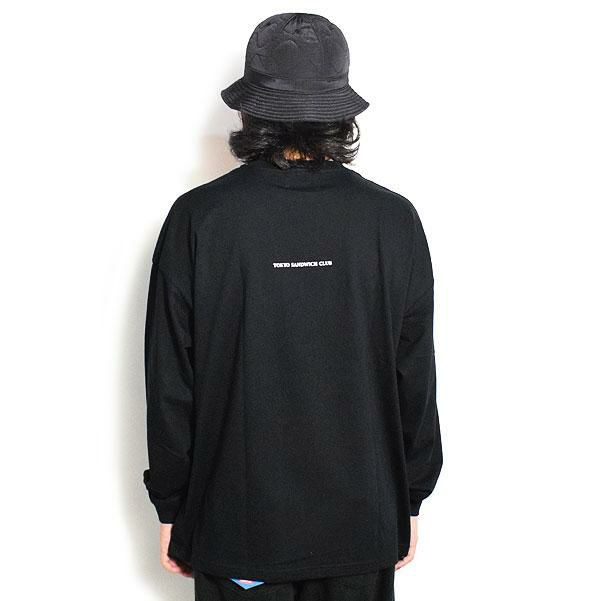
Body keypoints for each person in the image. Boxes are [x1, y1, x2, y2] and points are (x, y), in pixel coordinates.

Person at [142, 12, 443, 601]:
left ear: (250, 110)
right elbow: (416, 375)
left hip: (236, 524)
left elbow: (170, 381)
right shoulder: (392, 220)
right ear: (340, 112)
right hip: (362, 520)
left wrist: (172, 506)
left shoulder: (200, 218)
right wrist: (409, 497)